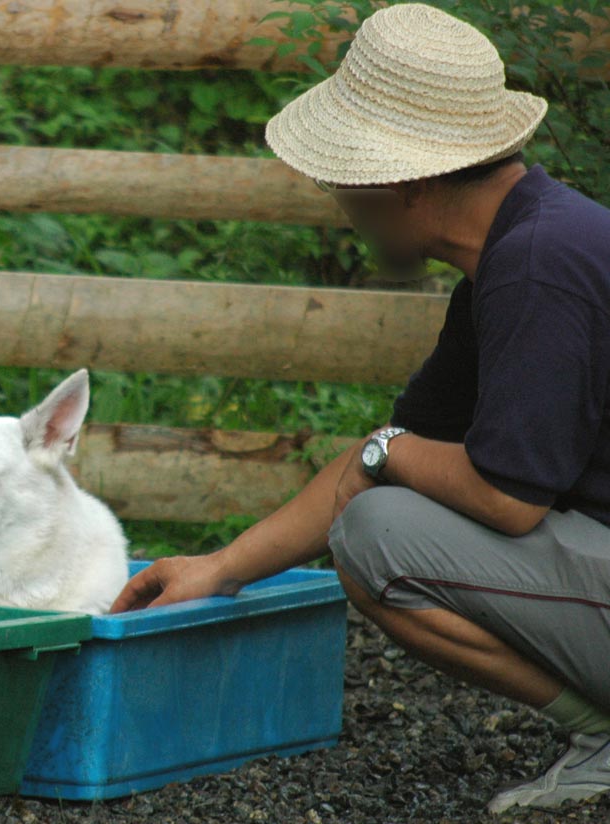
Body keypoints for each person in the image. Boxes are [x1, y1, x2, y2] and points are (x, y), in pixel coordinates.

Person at [111, 3, 610, 814]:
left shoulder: (537, 269)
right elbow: (376, 456)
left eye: (344, 176)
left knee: (377, 539)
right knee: (379, 507)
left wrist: (391, 453)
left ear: (405, 183)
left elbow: (506, 501)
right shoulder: (517, 254)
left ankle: (604, 735)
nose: (335, 196)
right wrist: (220, 569)